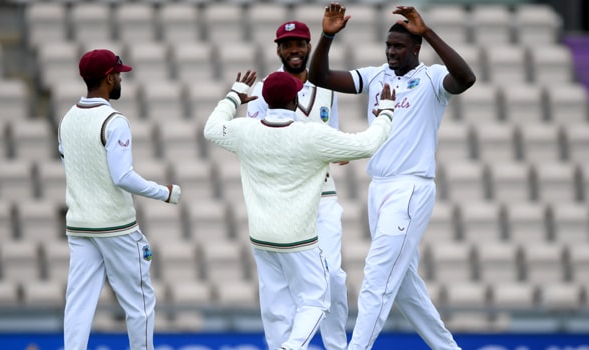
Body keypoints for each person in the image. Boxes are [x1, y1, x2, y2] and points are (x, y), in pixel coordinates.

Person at [308, 3, 476, 350]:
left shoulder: (431, 80)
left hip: (411, 187)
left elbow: (466, 78)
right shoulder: (376, 76)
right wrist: (326, 36)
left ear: (416, 49)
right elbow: (319, 77)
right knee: (404, 286)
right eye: (388, 46)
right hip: (379, 188)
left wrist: (427, 31)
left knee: (377, 276)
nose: (391, 52)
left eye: (399, 47)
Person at [204, 70, 396, 350]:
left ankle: (282, 345)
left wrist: (234, 95)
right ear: (295, 100)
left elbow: (211, 128)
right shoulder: (311, 135)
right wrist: (386, 114)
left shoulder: (245, 131)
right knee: (317, 300)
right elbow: (366, 145)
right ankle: (292, 347)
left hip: (261, 238)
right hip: (299, 239)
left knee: (275, 306)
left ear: (265, 100)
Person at [58, 49, 181, 350]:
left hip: (80, 225)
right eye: (119, 74)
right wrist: (164, 192)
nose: (121, 79)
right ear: (108, 78)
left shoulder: (67, 119)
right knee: (139, 300)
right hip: (115, 226)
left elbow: (72, 167)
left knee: (78, 302)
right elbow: (122, 177)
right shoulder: (114, 120)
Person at [246, 20, 349, 350]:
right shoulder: (264, 89)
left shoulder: (328, 88)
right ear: (276, 48)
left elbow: (333, 138)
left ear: (308, 47)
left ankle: (336, 346)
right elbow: (252, 140)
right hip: (281, 202)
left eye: (300, 43)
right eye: (287, 44)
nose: (294, 49)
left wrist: (342, 149)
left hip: (322, 195)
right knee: (277, 290)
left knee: (332, 276)